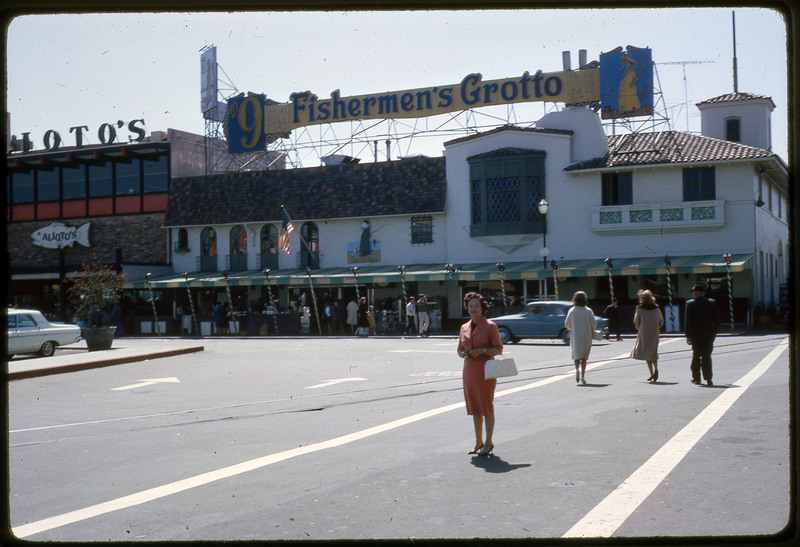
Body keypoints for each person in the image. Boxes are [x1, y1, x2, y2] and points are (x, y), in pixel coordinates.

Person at [457, 292, 503, 456]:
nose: (473, 309)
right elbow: (460, 349)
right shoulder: (464, 327)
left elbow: (498, 349)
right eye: (470, 306)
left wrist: (482, 351)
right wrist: (464, 354)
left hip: (485, 370)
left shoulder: (490, 326)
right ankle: (478, 442)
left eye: (476, 306)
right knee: (475, 407)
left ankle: (489, 442)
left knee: (486, 406)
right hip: (469, 371)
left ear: (482, 308)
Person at [685, 284, 721, 386]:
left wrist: (688, 336)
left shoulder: (690, 304)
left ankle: (696, 377)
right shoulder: (711, 303)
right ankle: (708, 378)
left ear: (695, 293)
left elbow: (688, 322)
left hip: (695, 334)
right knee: (707, 356)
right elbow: (717, 319)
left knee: (696, 355)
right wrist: (715, 332)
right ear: (702, 293)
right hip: (708, 333)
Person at [631, 290, 665, 382]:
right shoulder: (656, 308)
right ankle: (656, 369)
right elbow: (661, 320)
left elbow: (636, 321)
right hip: (654, 332)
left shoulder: (639, 309)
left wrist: (639, 328)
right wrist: (657, 327)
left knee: (646, 352)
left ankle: (651, 373)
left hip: (644, 332)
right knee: (653, 351)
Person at [564, 291, 596, 385]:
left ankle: (577, 369)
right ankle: (583, 376)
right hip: (587, 336)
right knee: (584, 358)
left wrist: (571, 328)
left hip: (576, 336)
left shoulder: (572, 311)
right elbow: (593, 324)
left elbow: (567, 324)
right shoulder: (588, 310)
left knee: (576, 355)